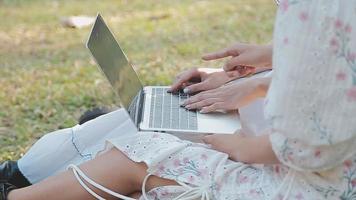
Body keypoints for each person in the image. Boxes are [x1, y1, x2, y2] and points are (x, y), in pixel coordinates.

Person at [4, 1, 356, 199]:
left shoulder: (321, 8)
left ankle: (18, 192)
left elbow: (303, 147)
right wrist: (262, 67)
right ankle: (34, 170)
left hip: (313, 184)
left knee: (139, 150)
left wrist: (234, 143)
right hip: (323, 161)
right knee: (181, 105)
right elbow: (333, 63)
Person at [0, 42, 273, 189]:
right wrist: (252, 70)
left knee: (143, 145)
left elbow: (295, 142)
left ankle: (27, 182)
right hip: (266, 113)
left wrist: (254, 87)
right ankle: (30, 172)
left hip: (272, 141)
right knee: (156, 111)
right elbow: (309, 60)